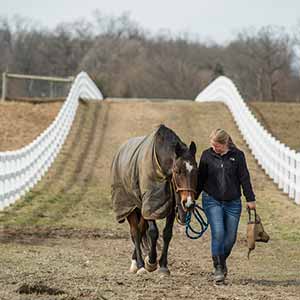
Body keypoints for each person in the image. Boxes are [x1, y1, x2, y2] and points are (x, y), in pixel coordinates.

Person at [197, 128, 256, 283]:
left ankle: (221, 261)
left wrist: (250, 199)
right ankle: (218, 268)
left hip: (233, 203)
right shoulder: (206, 156)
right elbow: (200, 180)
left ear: (225, 144)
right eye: (212, 145)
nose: (214, 148)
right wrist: (191, 201)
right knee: (218, 233)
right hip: (212, 200)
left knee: (230, 238)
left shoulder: (238, 156)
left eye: (217, 146)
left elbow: (245, 178)